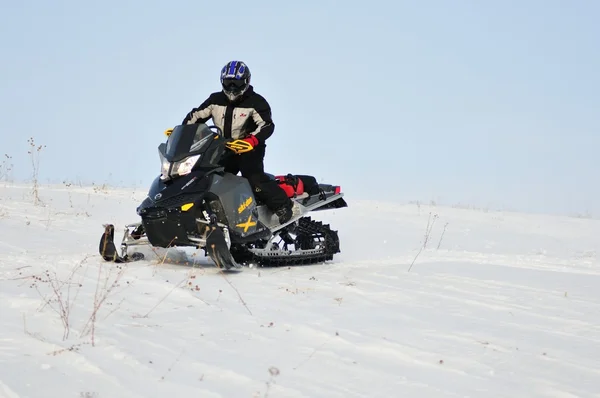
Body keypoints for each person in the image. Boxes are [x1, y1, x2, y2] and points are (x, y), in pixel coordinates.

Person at [180, 60, 295, 224]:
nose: (232, 87)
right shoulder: (215, 100)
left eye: (237, 82)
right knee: (208, 177)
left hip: (249, 149)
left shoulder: (256, 102)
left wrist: (252, 139)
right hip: (223, 148)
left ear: (246, 81)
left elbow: (267, 125)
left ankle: (283, 206)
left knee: (253, 179)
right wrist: (183, 131)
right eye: (228, 82)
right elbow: (195, 116)